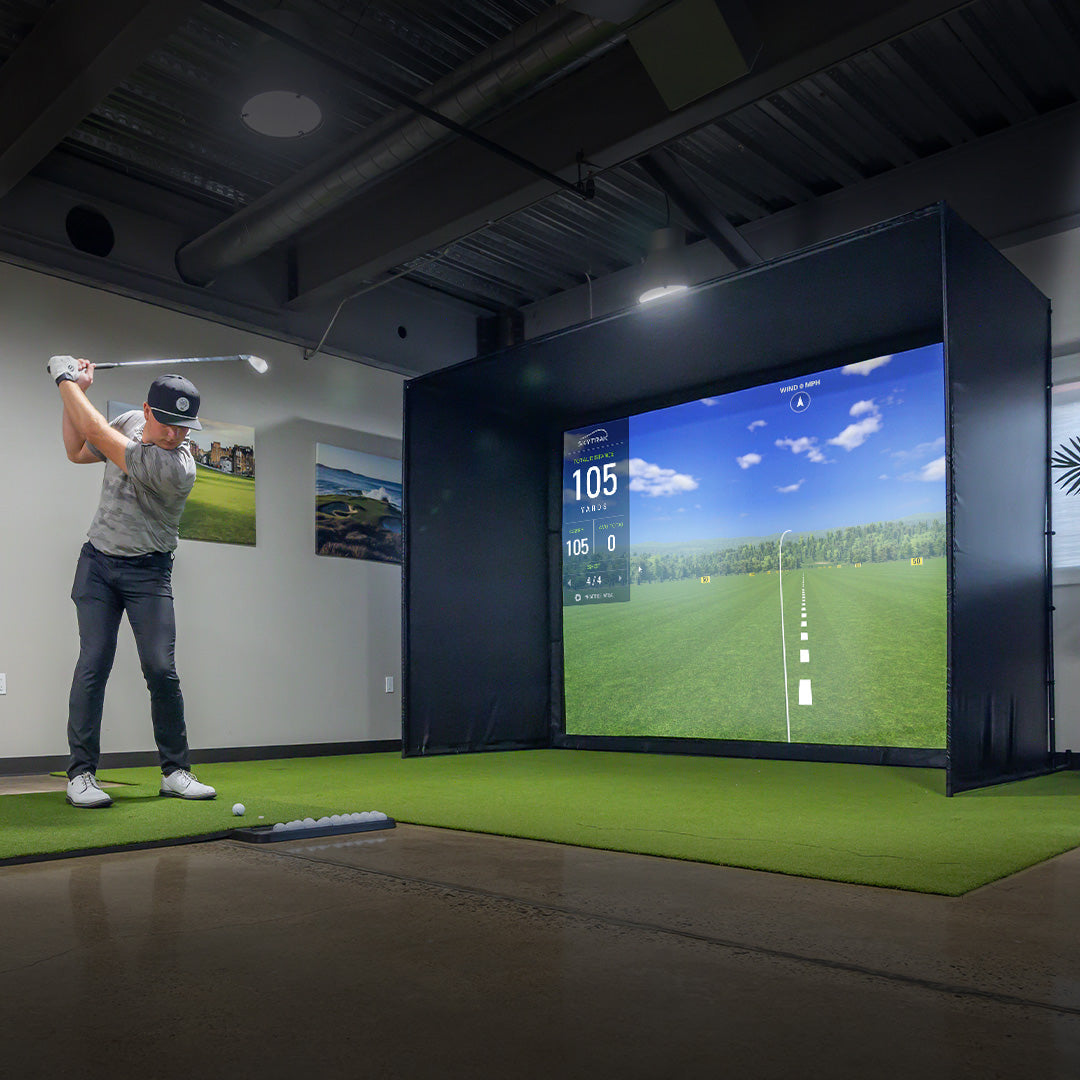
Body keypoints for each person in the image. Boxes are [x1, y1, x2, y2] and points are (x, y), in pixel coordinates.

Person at [48, 354, 216, 808]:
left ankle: (176, 771)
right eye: (167, 423)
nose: (175, 434)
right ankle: (81, 775)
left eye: (184, 427)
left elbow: (100, 433)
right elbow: (79, 448)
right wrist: (77, 393)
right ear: (147, 411)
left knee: (161, 669)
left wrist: (64, 379)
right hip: (98, 565)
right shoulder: (128, 421)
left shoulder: (177, 468)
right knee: (93, 663)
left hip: (149, 572)